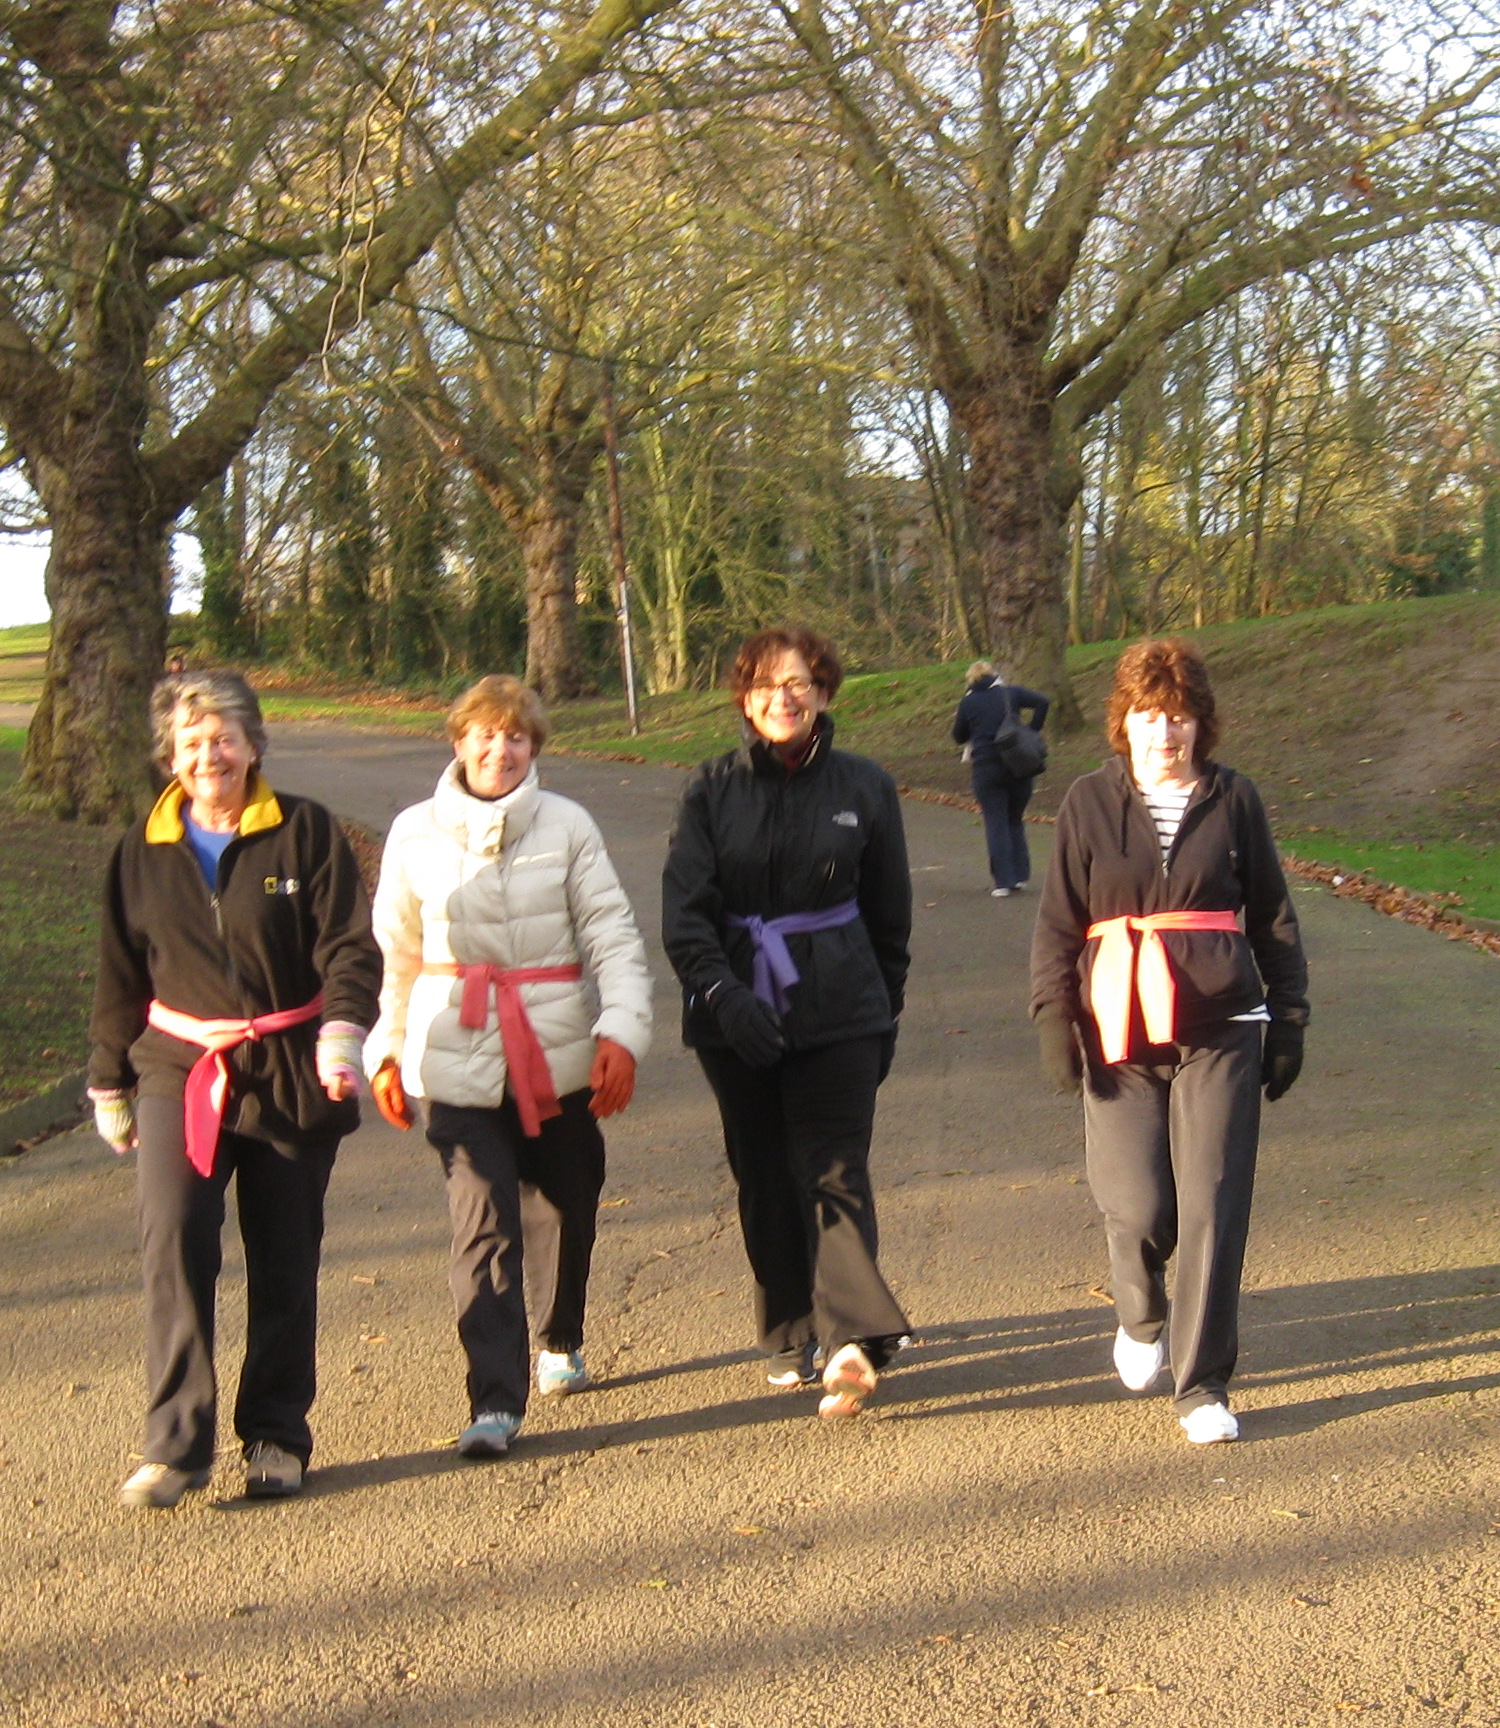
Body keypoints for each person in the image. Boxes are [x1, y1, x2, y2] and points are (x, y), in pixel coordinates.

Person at [88, 670, 379, 1507]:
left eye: (223, 738)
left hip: (291, 1066)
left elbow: (349, 947)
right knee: (174, 1238)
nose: (208, 755)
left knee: (285, 1255)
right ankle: (176, 1446)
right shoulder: (140, 852)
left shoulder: (306, 831)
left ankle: (276, 1435)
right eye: (191, 743)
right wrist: (108, 1079)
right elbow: (118, 974)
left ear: (254, 745)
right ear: (169, 757)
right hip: (180, 1069)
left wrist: (342, 1032)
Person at [1029, 638, 1309, 1446]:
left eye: (1180, 716)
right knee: (1140, 1202)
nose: (1166, 732)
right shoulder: (1088, 801)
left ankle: (1203, 1383)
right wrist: (1052, 1016)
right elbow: (1059, 920)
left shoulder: (1234, 799)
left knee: (1213, 1200)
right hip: (1117, 1023)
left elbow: (1273, 914)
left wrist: (1289, 1018)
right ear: (1125, 722)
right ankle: (1140, 1310)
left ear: (1200, 724)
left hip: (1222, 1024)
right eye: (1150, 715)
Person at [365, 677, 652, 1461]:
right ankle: (493, 1399)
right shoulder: (413, 832)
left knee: (566, 1198)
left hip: (554, 1051)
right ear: (458, 742)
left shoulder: (568, 825)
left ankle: (560, 1335)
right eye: (485, 735)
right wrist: (385, 1050)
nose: (500, 749)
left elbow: (613, 935)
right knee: (482, 1220)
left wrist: (621, 1032)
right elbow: (394, 954)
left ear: (534, 746)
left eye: (516, 736)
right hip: (452, 1055)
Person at [663, 625, 918, 1418]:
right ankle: (787, 1325)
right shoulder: (710, 790)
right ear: (745, 700)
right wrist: (723, 995)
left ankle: (854, 1341)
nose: (784, 697)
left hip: (840, 1007)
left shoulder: (865, 787)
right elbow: (684, 916)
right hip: (733, 1012)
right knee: (765, 1174)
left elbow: (890, 917)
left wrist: (883, 1010)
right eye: (767, 685)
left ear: (824, 693)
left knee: (834, 1168)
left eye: (799, 682)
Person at [951, 658, 1053, 897]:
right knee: (1015, 819)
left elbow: (958, 736)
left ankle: (1003, 882)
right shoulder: (1011, 693)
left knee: (996, 822)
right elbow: (1043, 702)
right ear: (993, 675)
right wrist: (1031, 729)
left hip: (987, 768)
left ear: (971, 680)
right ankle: (1020, 876)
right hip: (1018, 764)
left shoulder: (969, 702)